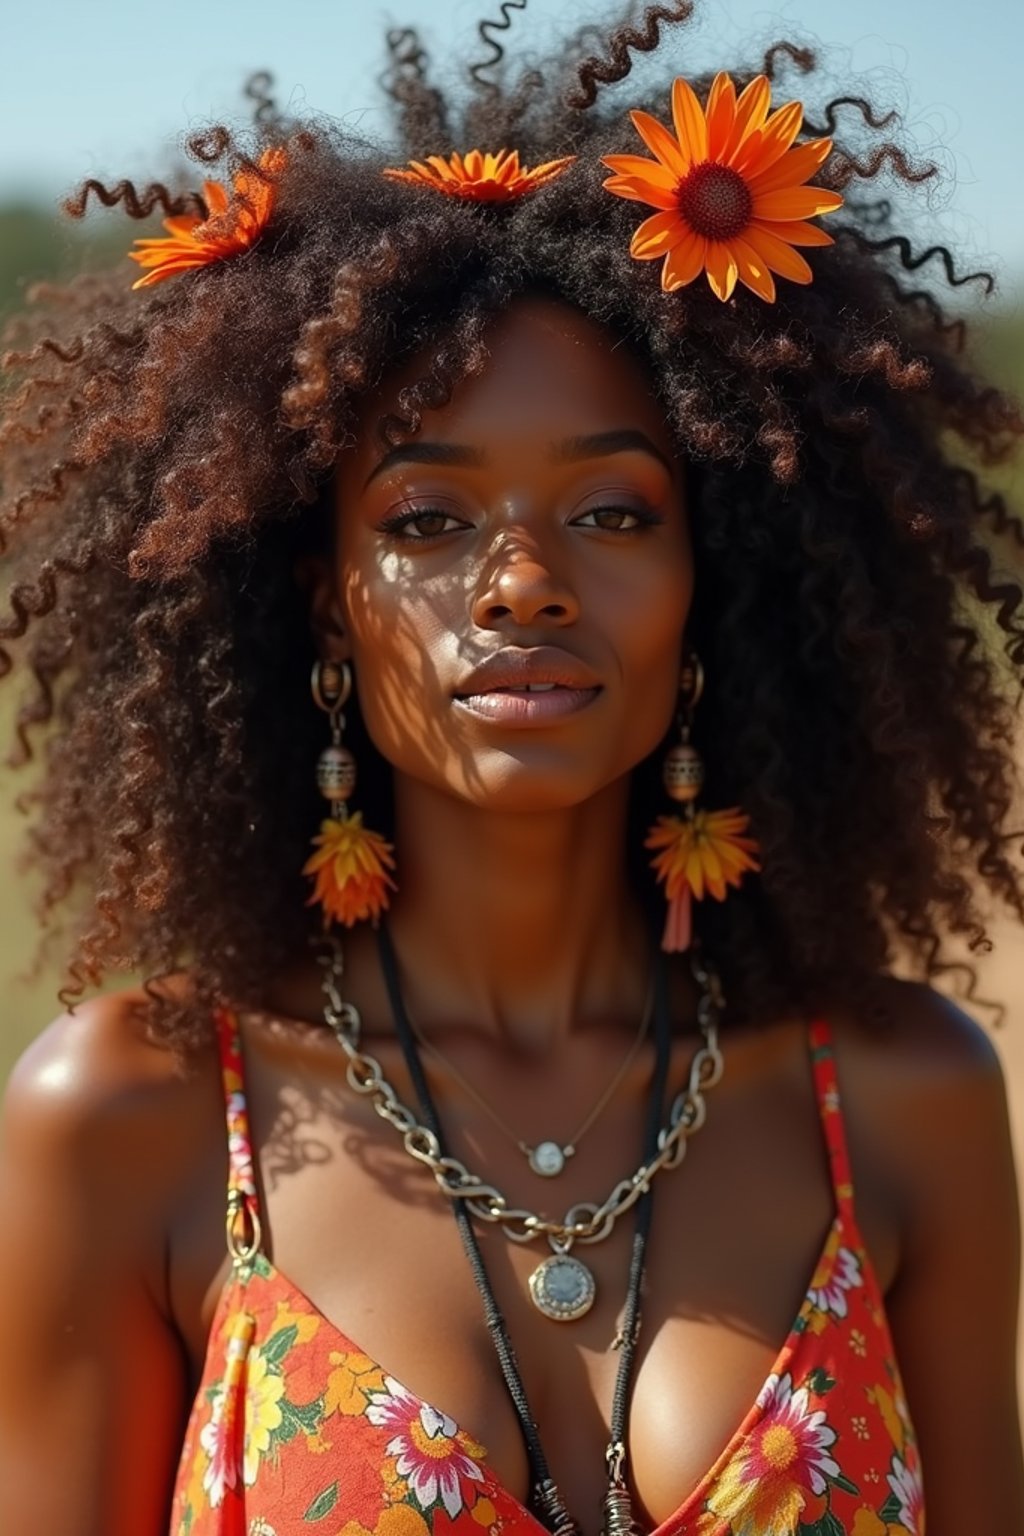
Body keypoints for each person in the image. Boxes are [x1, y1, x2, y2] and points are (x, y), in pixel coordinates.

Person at [0, 2, 1022, 1532]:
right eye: (426, 520)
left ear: (715, 589)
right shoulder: (131, 1118)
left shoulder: (901, 1097)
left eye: (613, 513)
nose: (523, 585)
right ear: (320, 597)